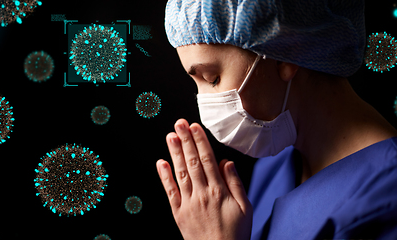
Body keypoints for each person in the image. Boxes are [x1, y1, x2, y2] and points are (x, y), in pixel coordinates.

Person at [156, 0, 397, 239]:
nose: (204, 105)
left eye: (212, 78)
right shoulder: (278, 162)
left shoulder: (385, 196)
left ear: (285, 54)